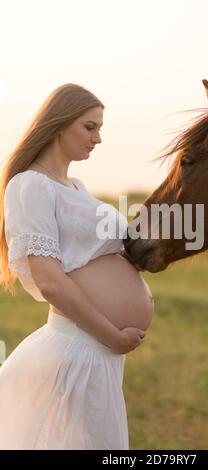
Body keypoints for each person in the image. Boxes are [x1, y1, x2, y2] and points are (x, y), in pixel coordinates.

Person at [0, 83, 154, 450]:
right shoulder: (31, 186)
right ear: (59, 124)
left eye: (99, 128)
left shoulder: (77, 187)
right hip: (79, 348)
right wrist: (112, 335)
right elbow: (50, 282)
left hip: (97, 352)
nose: (97, 138)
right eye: (90, 127)